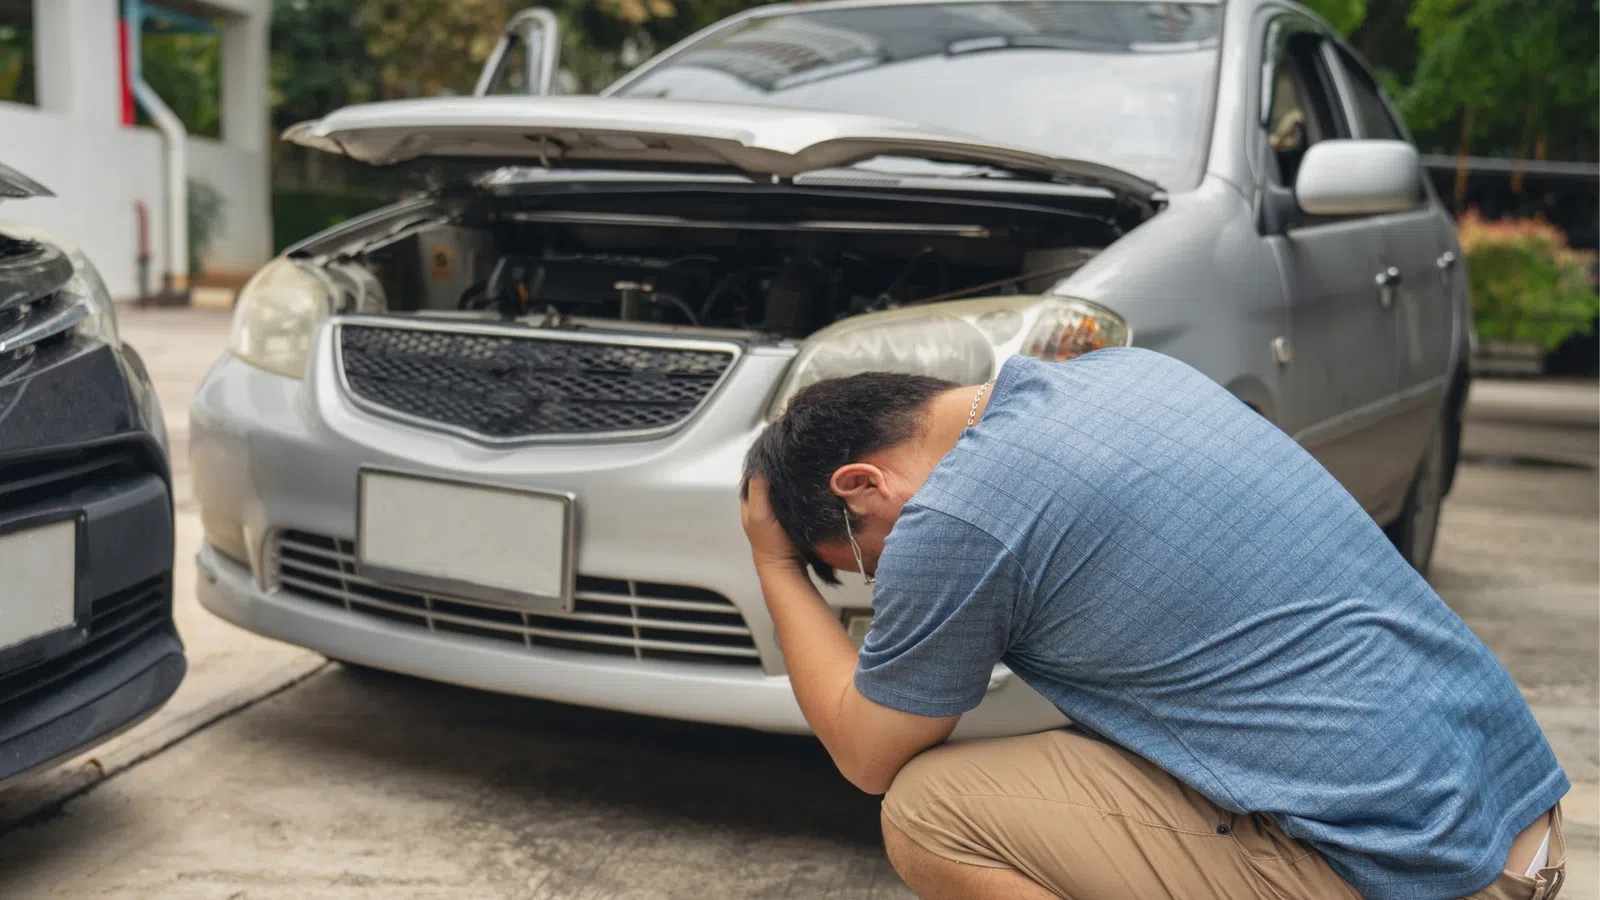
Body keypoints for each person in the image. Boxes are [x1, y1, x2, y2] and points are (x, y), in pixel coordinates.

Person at [739, 348, 1568, 900]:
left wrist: (776, 563)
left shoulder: (955, 516)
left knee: (930, 811)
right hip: (1512, 818)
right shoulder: (1135, 375)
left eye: (864, 558)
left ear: (861, 484)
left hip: (1423, 870)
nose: (888, 577)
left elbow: (866, 753)